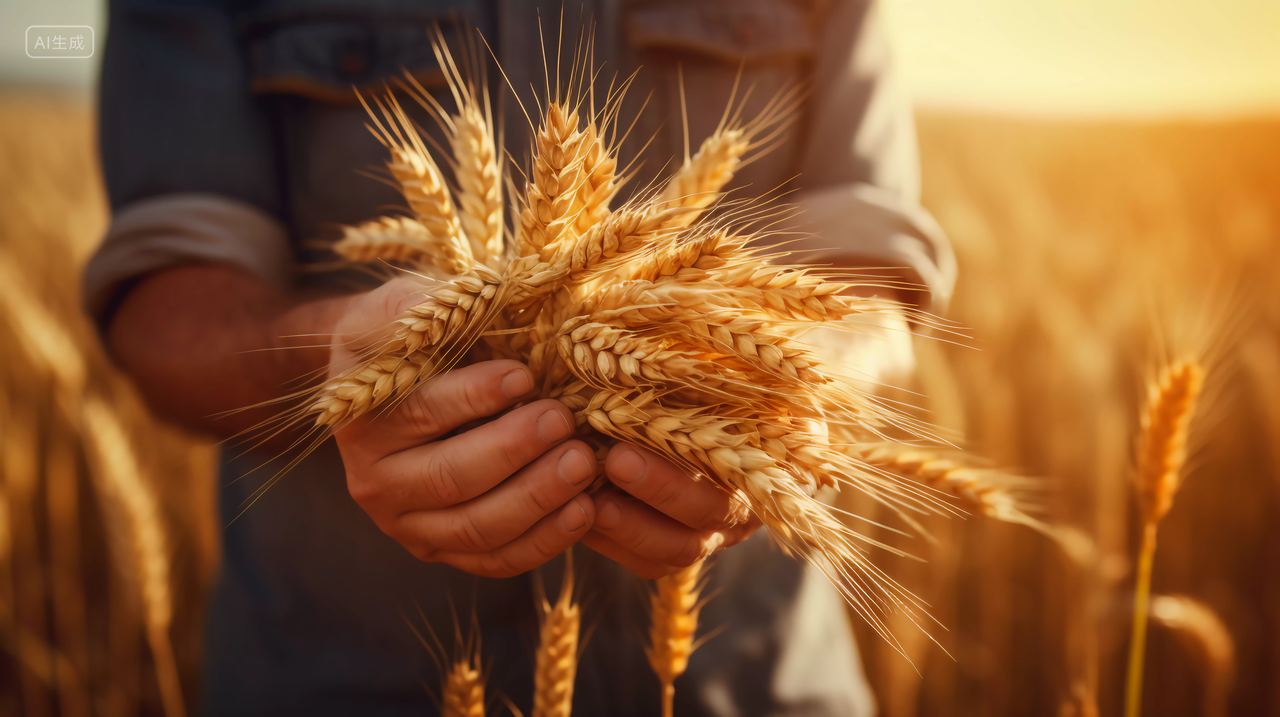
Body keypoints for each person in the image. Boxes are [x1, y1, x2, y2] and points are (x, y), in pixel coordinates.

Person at [84, 0, 955, 714]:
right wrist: (340, 359)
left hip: (761, 688)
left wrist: (783, 390)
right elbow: (168, 295)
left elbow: (863, 273)